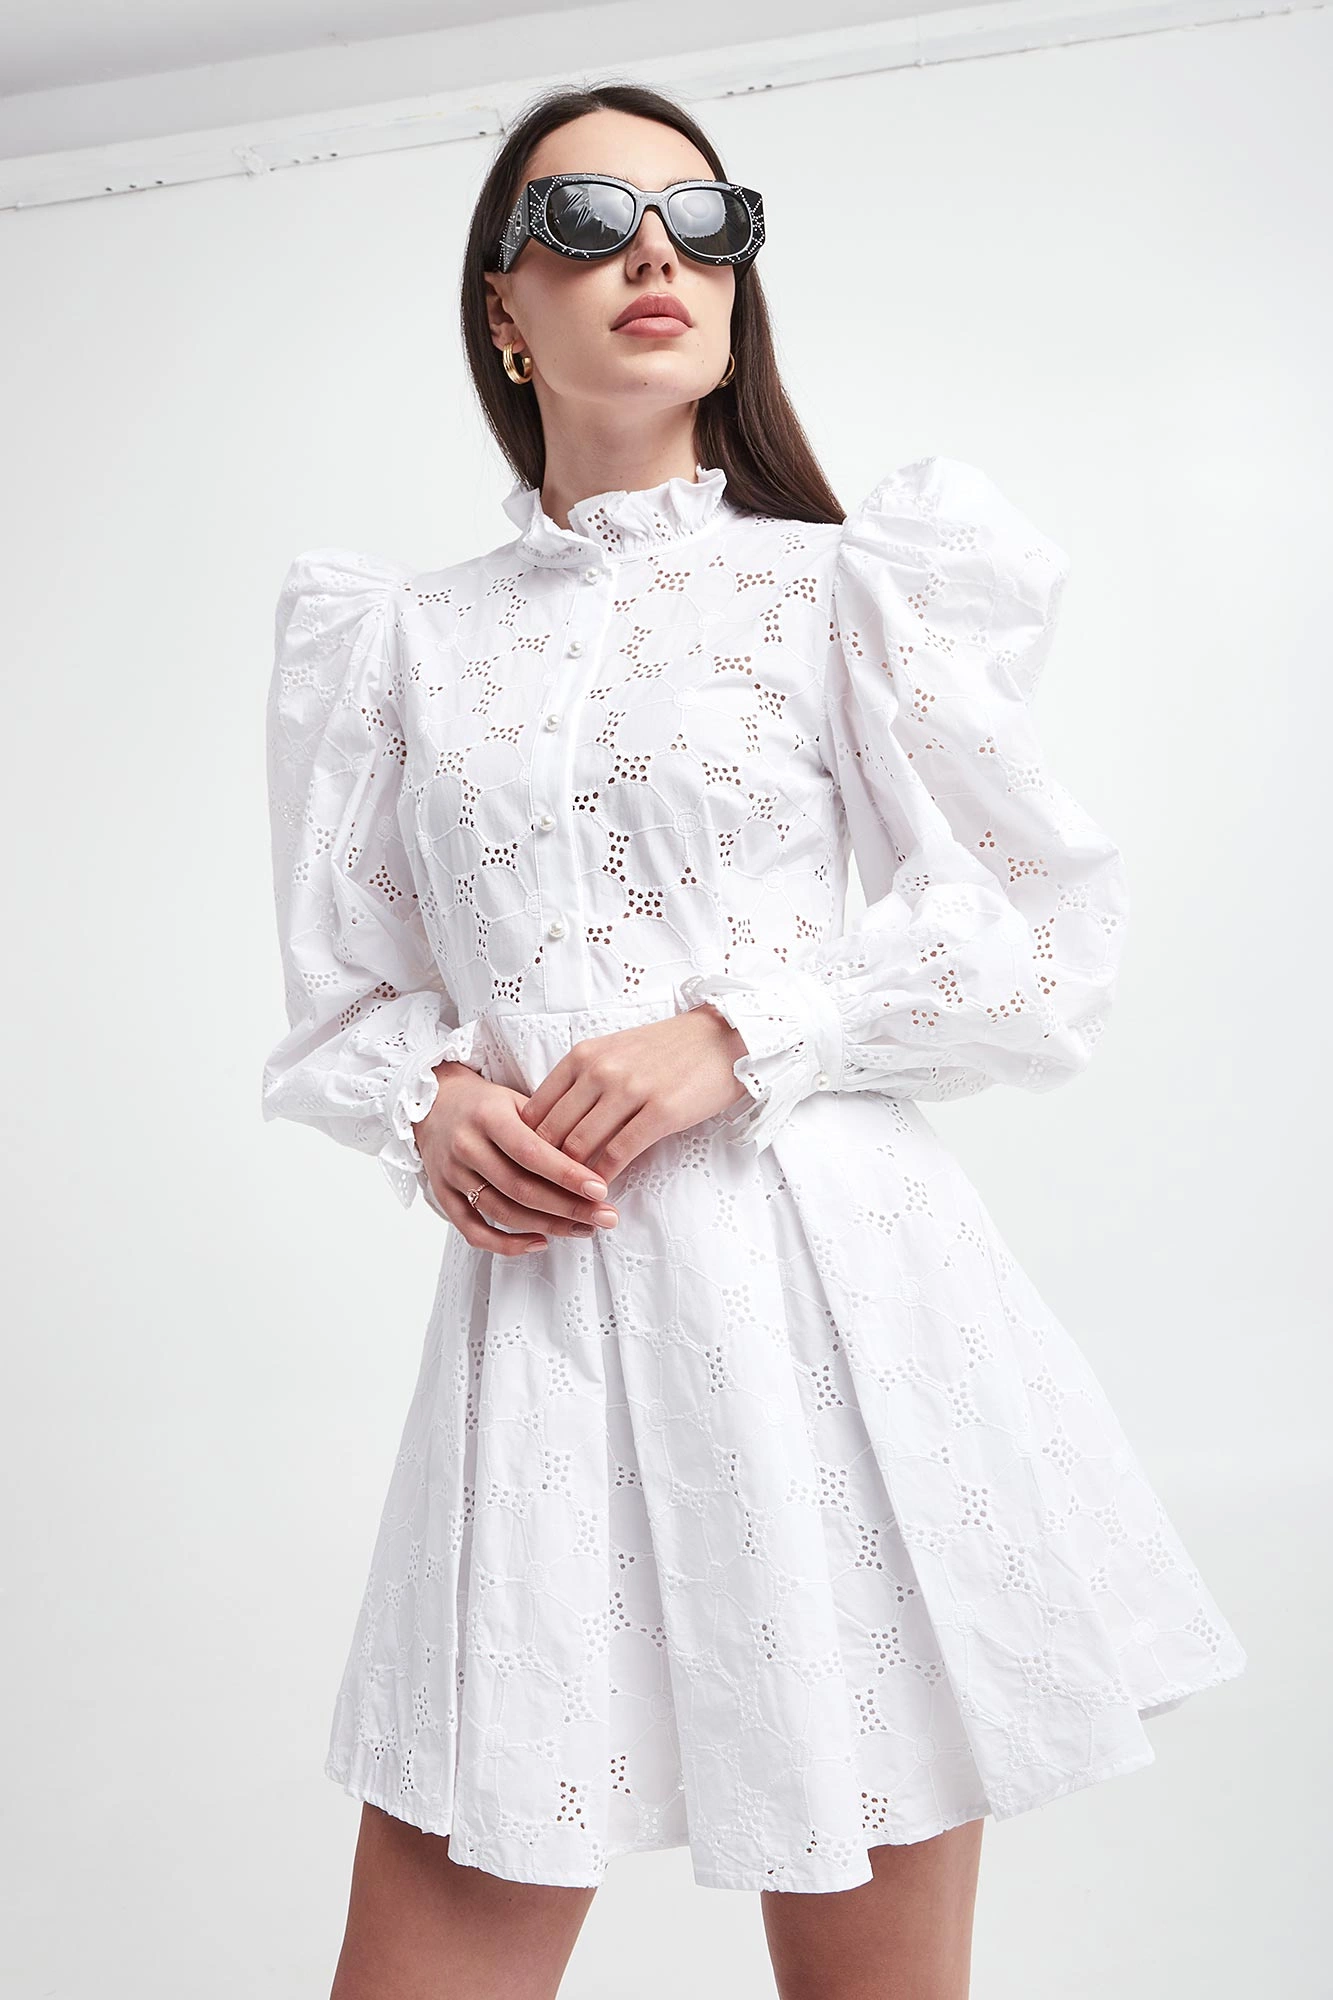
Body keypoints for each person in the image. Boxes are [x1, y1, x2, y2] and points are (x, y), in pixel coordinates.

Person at [261, 78, 1247, 2000]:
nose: (657, 253)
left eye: (704, 223)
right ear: (501, 307)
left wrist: (739, 1033)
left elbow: (1040, 930)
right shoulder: (398, 642)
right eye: (589, 221)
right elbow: (350, 987)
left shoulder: (845, 585)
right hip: (545, 1333)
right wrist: (433, 1100)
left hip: (842, 1321)